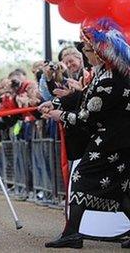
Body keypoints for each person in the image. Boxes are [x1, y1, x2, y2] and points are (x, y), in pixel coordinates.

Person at [40, 18, 130, 249]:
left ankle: (72, 232)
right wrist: (57, 105)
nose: (84, 53)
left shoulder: (109, 81)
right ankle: (72, 232)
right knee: (121, 189)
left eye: (87, 50)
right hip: (114, 141)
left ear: (100, 53)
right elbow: (83, 100)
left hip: (110, 142)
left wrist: (60, 116)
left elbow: (85, 118)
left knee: (81, 178)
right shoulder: (105, 76)